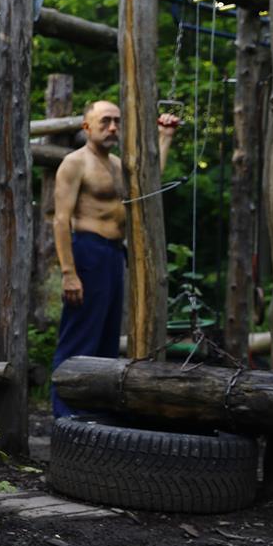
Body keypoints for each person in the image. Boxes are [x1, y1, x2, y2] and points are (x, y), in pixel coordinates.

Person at [50, 101, 179, 418]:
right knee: (81, 334)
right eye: (105, 121)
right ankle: (66, 416)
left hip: (113, 254)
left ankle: (99, 415)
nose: (112, 128)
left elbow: (147, 189)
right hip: (87, 252)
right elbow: (60, 220)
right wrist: (69, 272)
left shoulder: (118, 165)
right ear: (86, 126)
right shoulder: (74, 163)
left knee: (108, 338)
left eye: (117, 122)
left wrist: (164, 137)